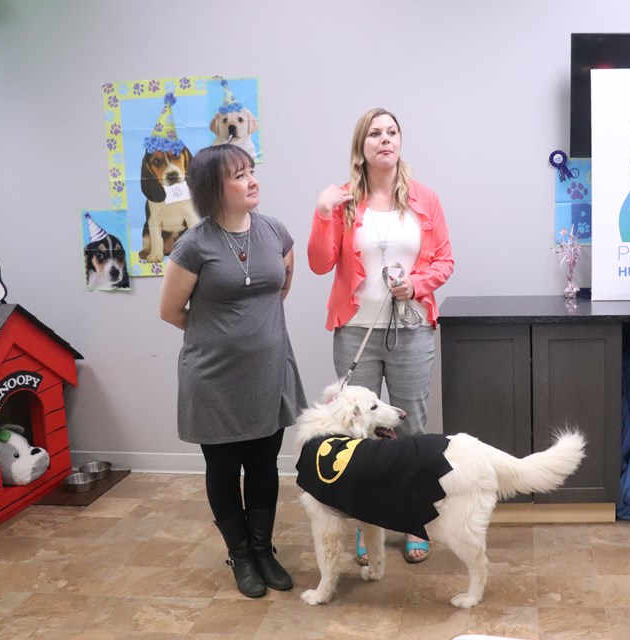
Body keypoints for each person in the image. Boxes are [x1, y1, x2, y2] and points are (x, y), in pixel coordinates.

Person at [160, 144, 307, 598]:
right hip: (214, 380)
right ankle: (240, 555)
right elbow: (170, 311)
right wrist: (221, 338)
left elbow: (280, 288)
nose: (252, 180)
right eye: (239, 175)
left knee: (264, 465)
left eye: (251, 171)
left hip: (269, 372)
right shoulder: (193, 244)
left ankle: (264, 550)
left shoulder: (276, 232)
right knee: (223, 469)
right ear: (213, 188)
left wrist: (254, 336)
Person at [308, 107, 454, 564]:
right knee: (358, 436)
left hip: (410, 329)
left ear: (400, 142)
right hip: (355, 333)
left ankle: (415, 522)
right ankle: (366, 526)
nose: (385, 139)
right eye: (375, 133)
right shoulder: (344, 201)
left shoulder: (425, 200)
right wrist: (322, 212)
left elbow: (445, 262)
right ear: (362, 146)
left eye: (392, 132)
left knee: (410, 429)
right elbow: (318, 262)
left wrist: (417, 285)